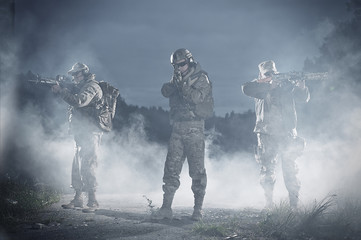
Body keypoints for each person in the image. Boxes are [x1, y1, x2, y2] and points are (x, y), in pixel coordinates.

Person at [153, 48, 213, 221]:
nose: (179, 68)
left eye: (181, 64)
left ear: (190, 61)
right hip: (178, 127)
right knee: (171, 168)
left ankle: (198, 210)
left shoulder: (202, 78)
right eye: (175, 65)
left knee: (197, 171)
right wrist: (174, 83)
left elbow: (195, 98)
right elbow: (165, 92)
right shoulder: (177, 77)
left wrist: (182, 85)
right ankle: (166, 208)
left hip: (195, 127)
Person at [242, 60, 310, 209]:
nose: (271, 75)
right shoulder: (258, 87)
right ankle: (269, 205)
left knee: (291, 170)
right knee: (267, 170)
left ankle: (294, 206)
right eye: (267, 74)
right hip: (267, 134)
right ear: (261, 75)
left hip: (287, 134)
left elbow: (302, 98)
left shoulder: (286, 85)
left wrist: (301, 86)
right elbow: (246, 88)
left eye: (273, 73)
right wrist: (268, 85)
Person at [52, 62, 103, 213]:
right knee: (77, 164)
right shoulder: (79, 86)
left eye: (77, 74)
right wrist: (61, 91)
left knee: (89, 164)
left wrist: (61, 91)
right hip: (80, 131)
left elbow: (79, 101)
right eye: (73, 75)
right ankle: (78, 198)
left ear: (85, 73)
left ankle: (93, 201)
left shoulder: (92, 86)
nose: (74, 77)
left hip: (92, 131)